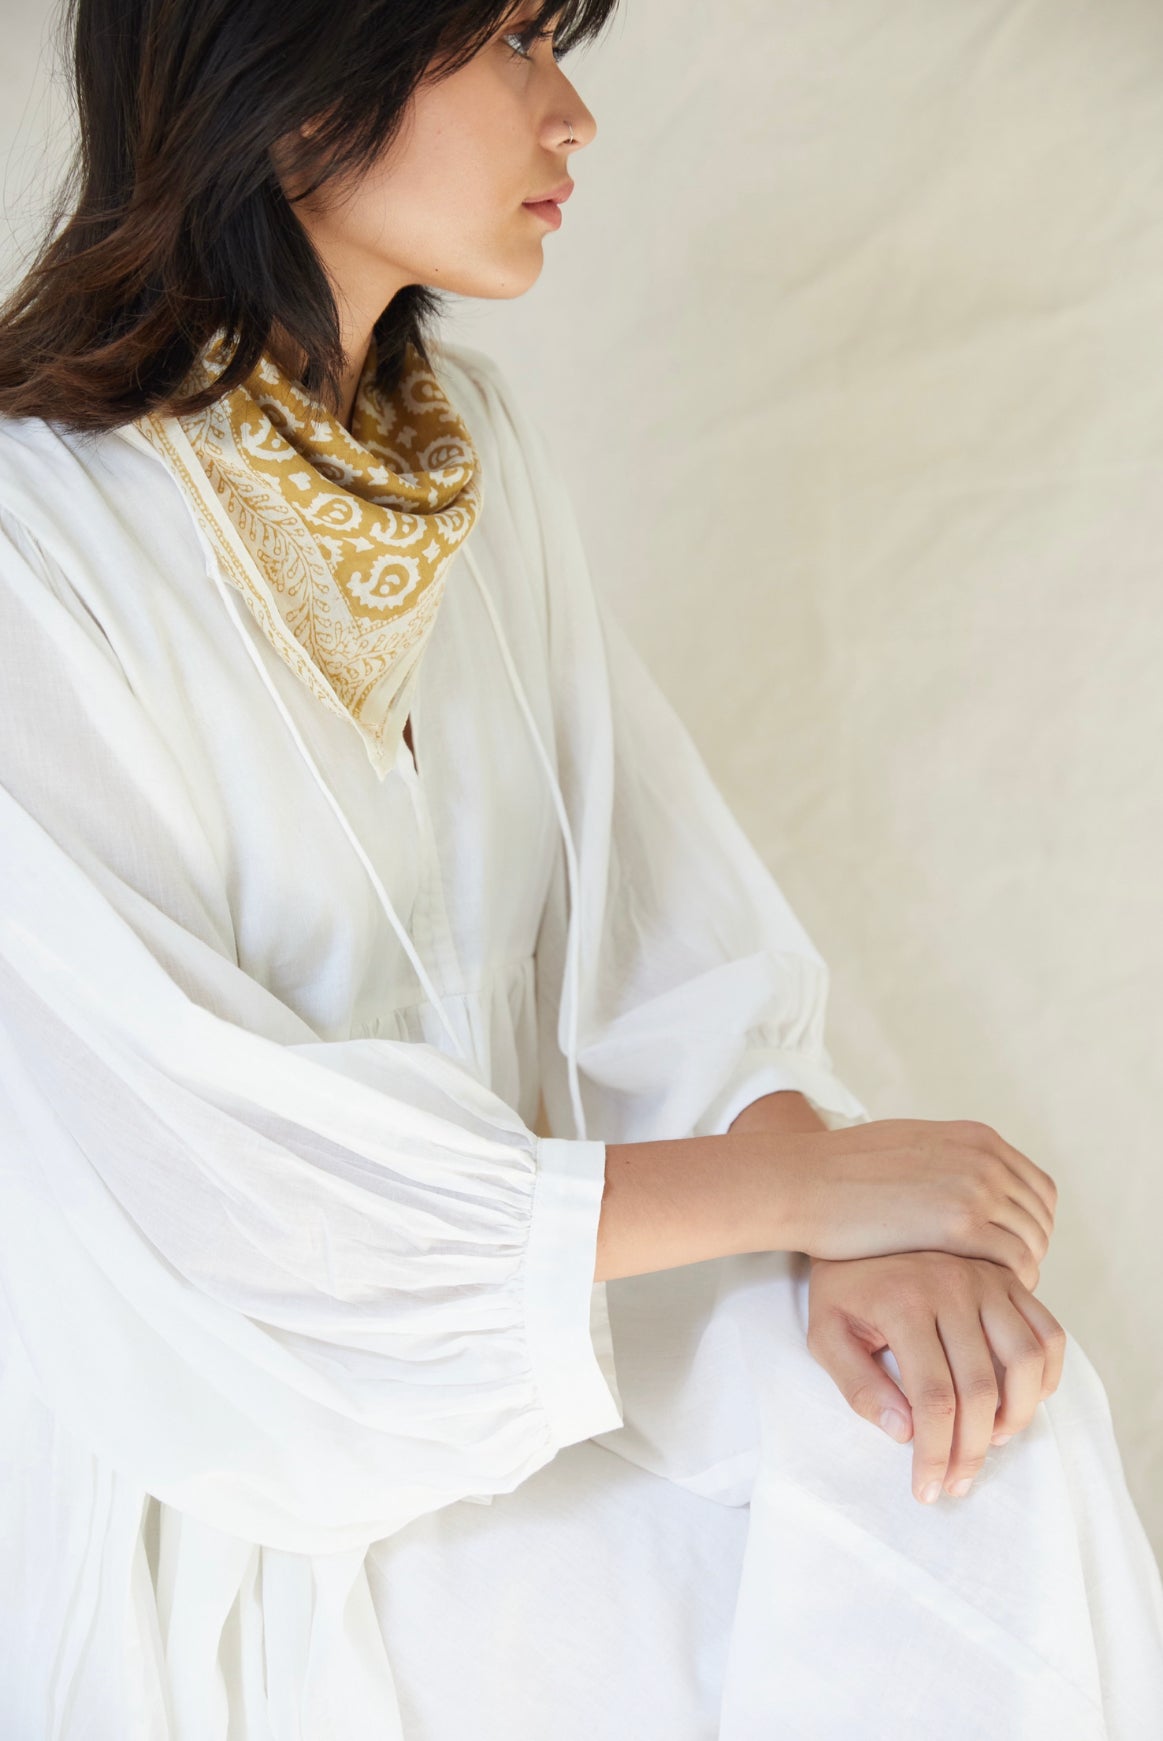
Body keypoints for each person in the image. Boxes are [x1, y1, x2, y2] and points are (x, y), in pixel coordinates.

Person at [0, 1, 1160, 1735]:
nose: (572, 116)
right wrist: (803, 1193)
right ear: (294, 82)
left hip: (542, 1351)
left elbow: (659, 936)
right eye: (516, 41)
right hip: (246, 1472)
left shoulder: (462, 452)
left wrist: (845, 1227)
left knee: (969, 1433)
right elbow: (211, 1193)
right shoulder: (36, 543)